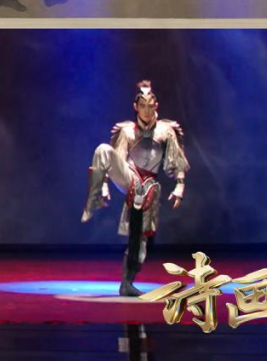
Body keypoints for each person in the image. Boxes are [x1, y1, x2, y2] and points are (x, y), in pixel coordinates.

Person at [81, 80, 188, 296]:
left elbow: (176, 159)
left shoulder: (166, 130)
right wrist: (104, 184)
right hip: (129, 176)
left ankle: (127, 282)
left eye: (150, 106)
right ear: (135, 107)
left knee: (139, 238)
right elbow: (117, 158)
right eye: (142, 106)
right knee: (103, 150)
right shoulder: (127, 131)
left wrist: (179, 185)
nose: (146, 110)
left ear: (156, 106)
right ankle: (93, 199)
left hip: (148, 185)